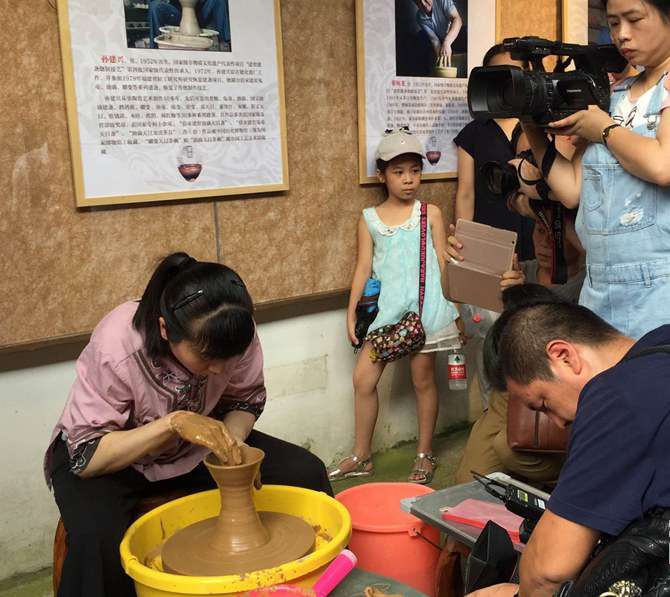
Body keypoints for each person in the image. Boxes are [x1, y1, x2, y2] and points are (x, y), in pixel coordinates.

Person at [45, 253, 332, 597]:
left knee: (306, 473)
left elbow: (242, 401)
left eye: (229, 359)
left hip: (193, 449)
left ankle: (318, 584)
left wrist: (233, 442)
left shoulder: (233, 333)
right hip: (112, 456)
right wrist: (173, 424)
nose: (219, 369)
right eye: (207, 358)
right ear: (165, 329)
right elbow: (88, 456)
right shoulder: (118, 343)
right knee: (98, 537)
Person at [467, 284, 670, 596]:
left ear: (563, 355)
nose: (559, 422)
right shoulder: (661, 342)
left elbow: (548, 571)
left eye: (543, 404)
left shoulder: (615, 398)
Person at [519, 0, 670, 339]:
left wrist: (602, 128)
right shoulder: (612, 94)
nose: (622, 35)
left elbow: (663, 165)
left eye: (634, 19)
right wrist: (529, 121)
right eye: (614, 23)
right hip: (598, 286)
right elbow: (572, 190)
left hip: (660, 289)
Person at [329, 129, 462, 485]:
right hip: (386, 316)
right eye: (399, 172)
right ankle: (361, 456)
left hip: (426, 312)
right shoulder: (369, 219)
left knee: (423, 381)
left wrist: (458, 308)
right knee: (363, 380)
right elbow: (363, 268)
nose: (408, 179)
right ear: (381, 175)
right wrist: (352, 314)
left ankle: (423, 453)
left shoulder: (430, 214)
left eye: (415, 171)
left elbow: (443, 262)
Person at [453, 207, 585, 484]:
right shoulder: (519, 270)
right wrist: (453, 262)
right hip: (510, 392)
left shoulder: (592, 281)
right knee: (469, 480)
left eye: (555, 235)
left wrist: (525, 297)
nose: (545, 243)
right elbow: (455, 291)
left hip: (558, 395)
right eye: (539, 230)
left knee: (511, 452)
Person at [453, 44, 536, 261]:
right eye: (498, 74)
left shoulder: (541, 127)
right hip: (492, 237)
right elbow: (466, 194)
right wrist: (464, 243)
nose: (506, 81)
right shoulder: (473, 133)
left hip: (539, 234)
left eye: (513, 73)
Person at [148, 0, 231, 49]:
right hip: (178, 14)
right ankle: (155, 46)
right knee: (154, 5)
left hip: (201, 13)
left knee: (219, 1)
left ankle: (224, 41)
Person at [412, 0, 463, 64]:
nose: (424, 4)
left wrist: (447, 42)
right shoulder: (419, 18)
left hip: (453, 35)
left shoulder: (442, 1)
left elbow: (457, 20)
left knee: (467, 31)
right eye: (419, 2)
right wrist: (440, 59)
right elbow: (434, 39)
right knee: (420, 36)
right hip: (439, 39)